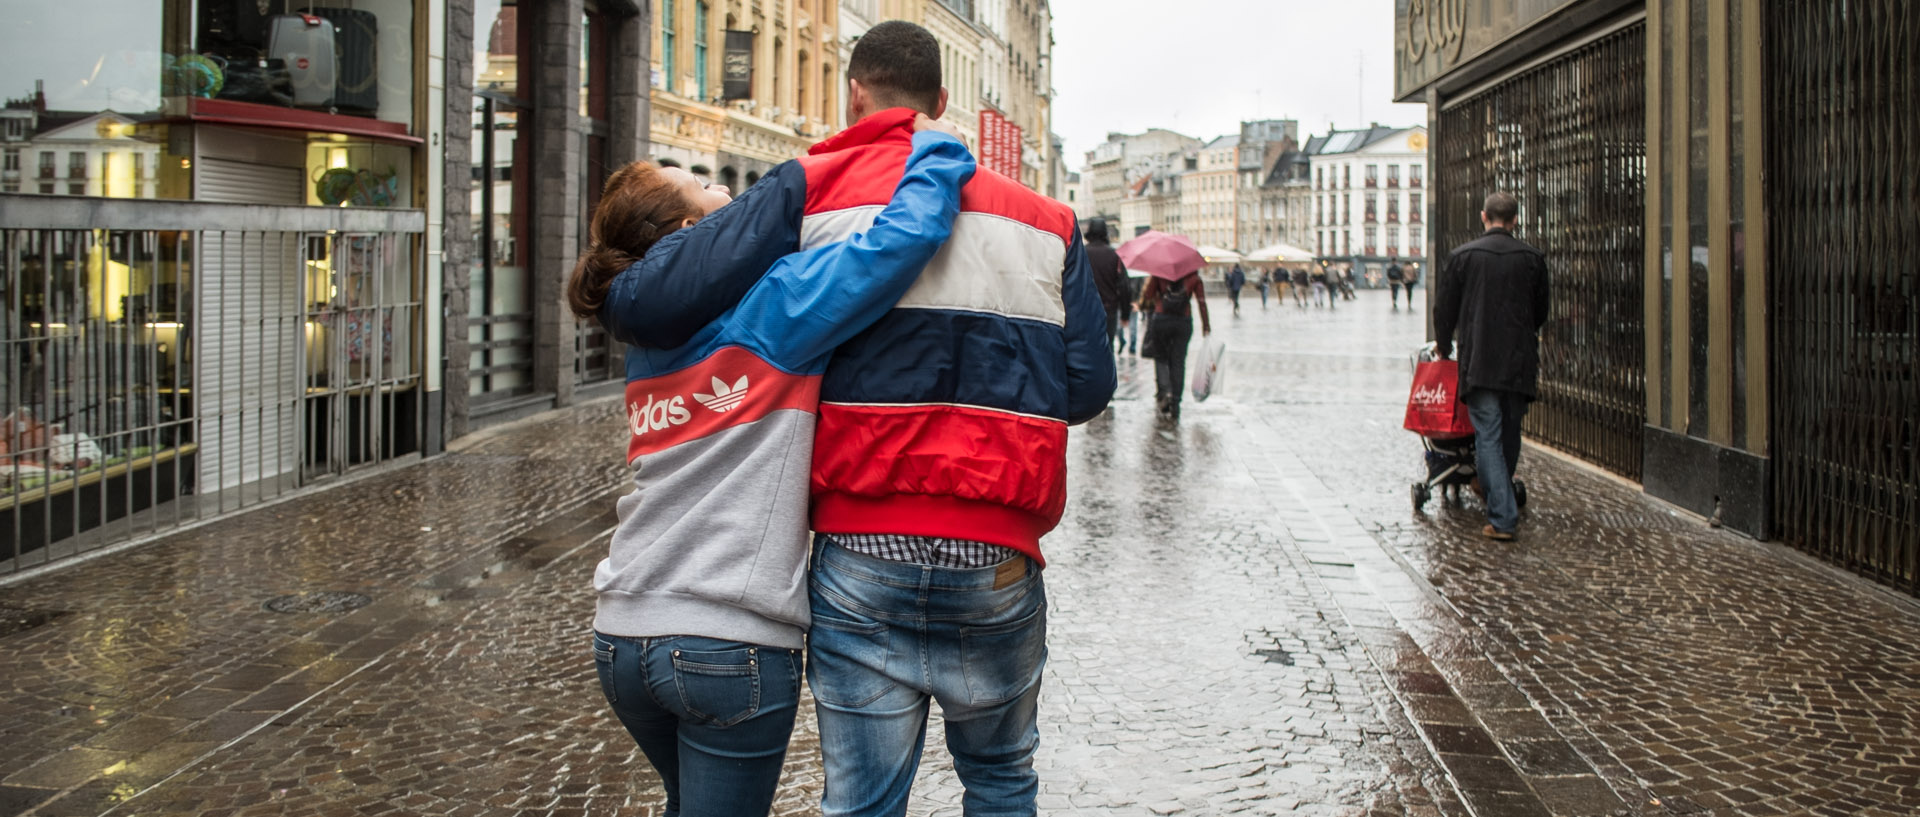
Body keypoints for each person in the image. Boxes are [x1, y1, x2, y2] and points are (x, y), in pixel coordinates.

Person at [594, 21, 1115, 817]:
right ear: (943, 101)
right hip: (996, 550)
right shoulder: (1046, 222)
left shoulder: (802, 207)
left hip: (843, 549)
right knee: (1003, 777)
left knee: (864, 802)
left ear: (854, 93)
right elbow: (1085, 387)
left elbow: (683, 292)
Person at [572, 118, 975, 817]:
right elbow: (896, 244)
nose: (724, 186)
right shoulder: (776, 307)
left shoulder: (647, 337)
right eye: (702, 186)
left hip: (622, 632)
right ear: (683, 232)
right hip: (728, 638)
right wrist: (939, 151)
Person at [1433, 191, 1551, 541]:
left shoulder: (1462, 257)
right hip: (1519, 360)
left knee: (1488, 435)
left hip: (1480, 359)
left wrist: (1443, 345)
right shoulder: (1532, 258)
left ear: (1484, 216)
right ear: (1514, 220)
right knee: (1510, 434)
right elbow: (1541, 311)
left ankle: (1502, 517)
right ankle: (1498, 494)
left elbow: (1445, 309)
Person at [1138, 270, 1212, 421]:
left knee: (1161, 358)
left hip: (1162, 319)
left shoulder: (1160, 273)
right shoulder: (1194, 277)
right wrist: (1206, 325)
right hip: (1183, 321)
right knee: (1178, 362)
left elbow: (1148, 295)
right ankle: (1176, 401)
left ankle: (1164, 393)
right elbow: (1202, 302)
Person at [1084, 218, 1131, 355]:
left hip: (1085, 311)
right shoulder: (1114, 256)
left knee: (1087, 350)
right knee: (1107, 349)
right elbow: (1124, 287)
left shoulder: (1081, 253)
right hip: (1108, 311)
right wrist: (1125, 314)